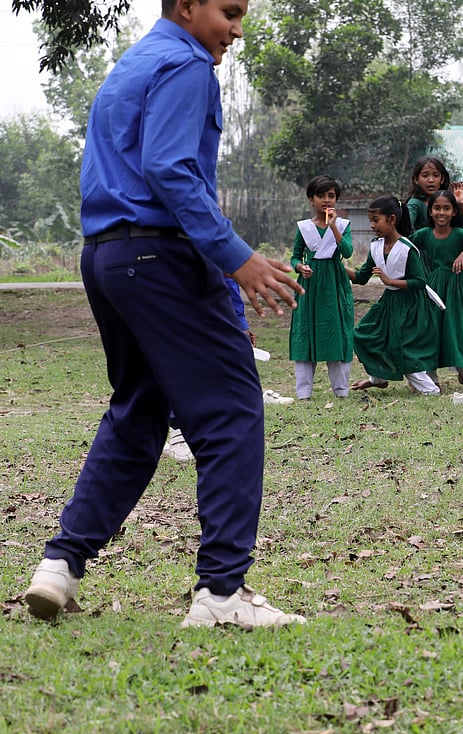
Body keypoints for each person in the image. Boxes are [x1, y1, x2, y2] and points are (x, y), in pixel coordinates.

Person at [23, 0, 307, 628]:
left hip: (107, 256)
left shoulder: (131, 65)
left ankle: (61, 567)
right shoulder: (186, 65)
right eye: (229, 12)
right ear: (185, 6)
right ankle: (222, 596)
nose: (237, 29)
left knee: (139, 413)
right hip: (161, 258)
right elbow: (171, 170)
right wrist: (237, 259)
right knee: (232, 412)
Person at [163, 276, 293, 463]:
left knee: (224, 358)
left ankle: (235, 408)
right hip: (167, 295)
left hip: (211, 303)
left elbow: (226, 276)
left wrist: (240, 323)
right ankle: (178, 431)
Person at [348, 197, 442, 395]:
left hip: (411, 306)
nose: (372, 225)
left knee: (404, 350)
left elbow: (419, 282)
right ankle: (378, 378)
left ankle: (430, 389)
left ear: (391, 219)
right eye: (370, 221)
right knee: (365, 336)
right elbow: (362, 277)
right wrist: (339, 269)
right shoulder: (376, 247)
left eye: (376, 220)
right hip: (389, 304)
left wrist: (391, 281)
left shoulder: (407, 248)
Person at [409, 190, 463, 391]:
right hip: (434, 289)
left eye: (447, 208)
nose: (441, 213)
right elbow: (405, 245)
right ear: (430, 211)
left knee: (458, 332)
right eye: (437, 208)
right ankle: (431, 379)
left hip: (458, 289)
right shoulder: (424, 235)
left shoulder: (460, 234)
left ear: (454, 212)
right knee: (430, 331)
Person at [289, 175, 355, 400]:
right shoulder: (304, 227)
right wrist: (300, 267)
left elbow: (347, 252)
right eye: (321, 196)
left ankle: (341, 391)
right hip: (310, 285)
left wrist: (334, 226)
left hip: (335, 285)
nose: (326, 200)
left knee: (337, 333)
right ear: (311, 199)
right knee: (306, 332)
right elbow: (295, 257)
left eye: (331, 196)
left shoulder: (343, 225)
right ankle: (304, 392)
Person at [405, 156, 463, 233]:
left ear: (442, 179)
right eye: (425, 176)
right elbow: (407, 228)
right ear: (416, 179)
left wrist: (461, 203)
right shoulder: (415, 203)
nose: (431, 180)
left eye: (435, 175)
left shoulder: (449, 203)